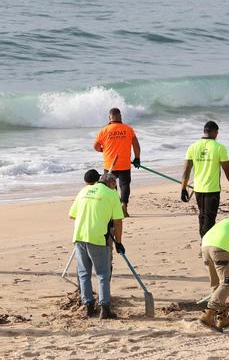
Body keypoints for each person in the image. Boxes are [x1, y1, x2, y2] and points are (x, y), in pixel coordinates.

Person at [69, 169, 125, 319]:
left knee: (84, 273)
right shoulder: (112, 194)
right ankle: (105, 308)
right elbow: (118, 221)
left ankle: (88, 306)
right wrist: (119, 242)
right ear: (111, 183)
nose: (116, 187)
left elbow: (72, 214)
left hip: (79, 236)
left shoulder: (84, 190)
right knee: (102, 274)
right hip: (98, 238)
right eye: (115, 185)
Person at [181, 121, 229, 239]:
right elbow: (227, 170)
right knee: (210, 218)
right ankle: (207, 244)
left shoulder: (192, 147)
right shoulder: (219, 148)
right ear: (213, 131)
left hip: (198, 189)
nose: (217, 135)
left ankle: (204, 242)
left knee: (202, 216)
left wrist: (183, 188)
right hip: (212, 189)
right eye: (217, 132)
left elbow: (186, 170)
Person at [93, 107, 141, 217]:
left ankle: (114, 208)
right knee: (124, 185)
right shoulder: (128, 129)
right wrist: (137, 158)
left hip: (110, 164)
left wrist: (102, 150)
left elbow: (95, 146)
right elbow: (136, 145)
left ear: (110, 118)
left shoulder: (104, 130)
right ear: (120, 117)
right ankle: (124, 204)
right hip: (124, 163)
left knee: (110, 186)